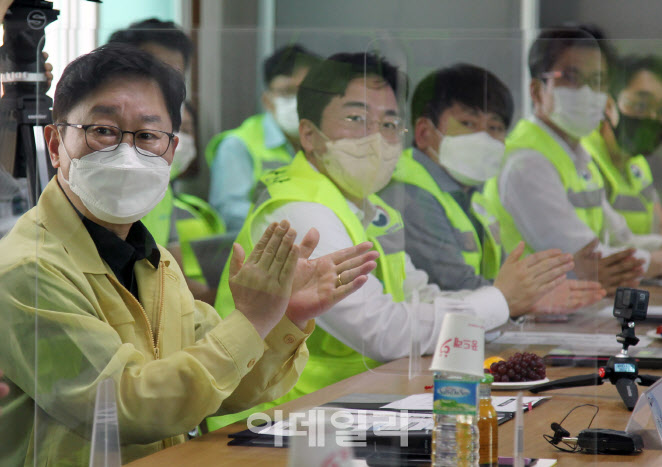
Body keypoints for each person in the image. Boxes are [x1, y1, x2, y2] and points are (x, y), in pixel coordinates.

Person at [0, 43, 378, 465]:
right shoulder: (27, 269)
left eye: (148, 135)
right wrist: (252, 320)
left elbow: (225, 387)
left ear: (171, 151)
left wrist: (286, 318)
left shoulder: (153, 262)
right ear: (54, 144)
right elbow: (126, 407)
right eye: (102, 131)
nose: (125, 153)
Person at [213, 53, 580, 417]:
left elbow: (417, 293)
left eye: (389, 123)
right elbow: (384, 332)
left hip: (354, 406)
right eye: (356, 119)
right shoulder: (301, 212)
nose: (376, 136)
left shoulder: (370, 206)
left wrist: (504, 304)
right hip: (276, 422)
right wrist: (500, 300)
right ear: (309, 134)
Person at [379, 63, 605, 311]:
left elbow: (506, 277)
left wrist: (549, 290)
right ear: (424, 133)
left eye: (494, 127)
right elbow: (454, 284)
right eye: (468, 123)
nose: (484, 137)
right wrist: (530, 299)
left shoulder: (473, 196)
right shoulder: (410, 195)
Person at [484, 27, 662, 294]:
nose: (588, 92)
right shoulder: (527, 161)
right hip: (528, 321)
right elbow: (591, 262)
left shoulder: (579, 155)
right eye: (571, 77)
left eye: (598, 81)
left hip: (575, 311)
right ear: (536, 90)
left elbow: (621, 238)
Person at [109, 19, 223, 301]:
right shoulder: (101, 169)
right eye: (152, 76)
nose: (164, 90)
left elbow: (171, 269)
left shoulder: (160, 177)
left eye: (174, 79)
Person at [206, 44, 321, 232]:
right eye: (287, 92)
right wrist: (291, 224)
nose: (299, 101)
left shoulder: (326, 141)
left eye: (306, 92)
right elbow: (229, 213)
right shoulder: (238, 145)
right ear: (267, 100)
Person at [582, 54, 662, 235]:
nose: (652, 118)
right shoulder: (583, 157)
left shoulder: (638, 164)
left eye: (660, 111)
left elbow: (658, 225)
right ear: (609, 104)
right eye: (641, 105)